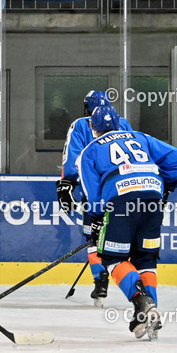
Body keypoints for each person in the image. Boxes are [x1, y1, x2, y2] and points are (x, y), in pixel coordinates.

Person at [77, 105, 177, 340]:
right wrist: (165, 186)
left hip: (121, 201)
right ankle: (150, 313)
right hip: (152, 199)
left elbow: (93, 195)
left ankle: (141, 302)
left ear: (93, 128)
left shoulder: (90, 150)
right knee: (145, 258)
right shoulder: (140, 137)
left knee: (112, 258)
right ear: (118, 123)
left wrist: (96, 219)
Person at [56, 91, 133, 305]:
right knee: (124, 240)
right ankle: (137, 286)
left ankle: (100, 283)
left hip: (94, 191)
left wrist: (66, 183)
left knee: (93, 238)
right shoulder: (124, 124)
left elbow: (72, 157)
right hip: (125, 190)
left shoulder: (80, 125)